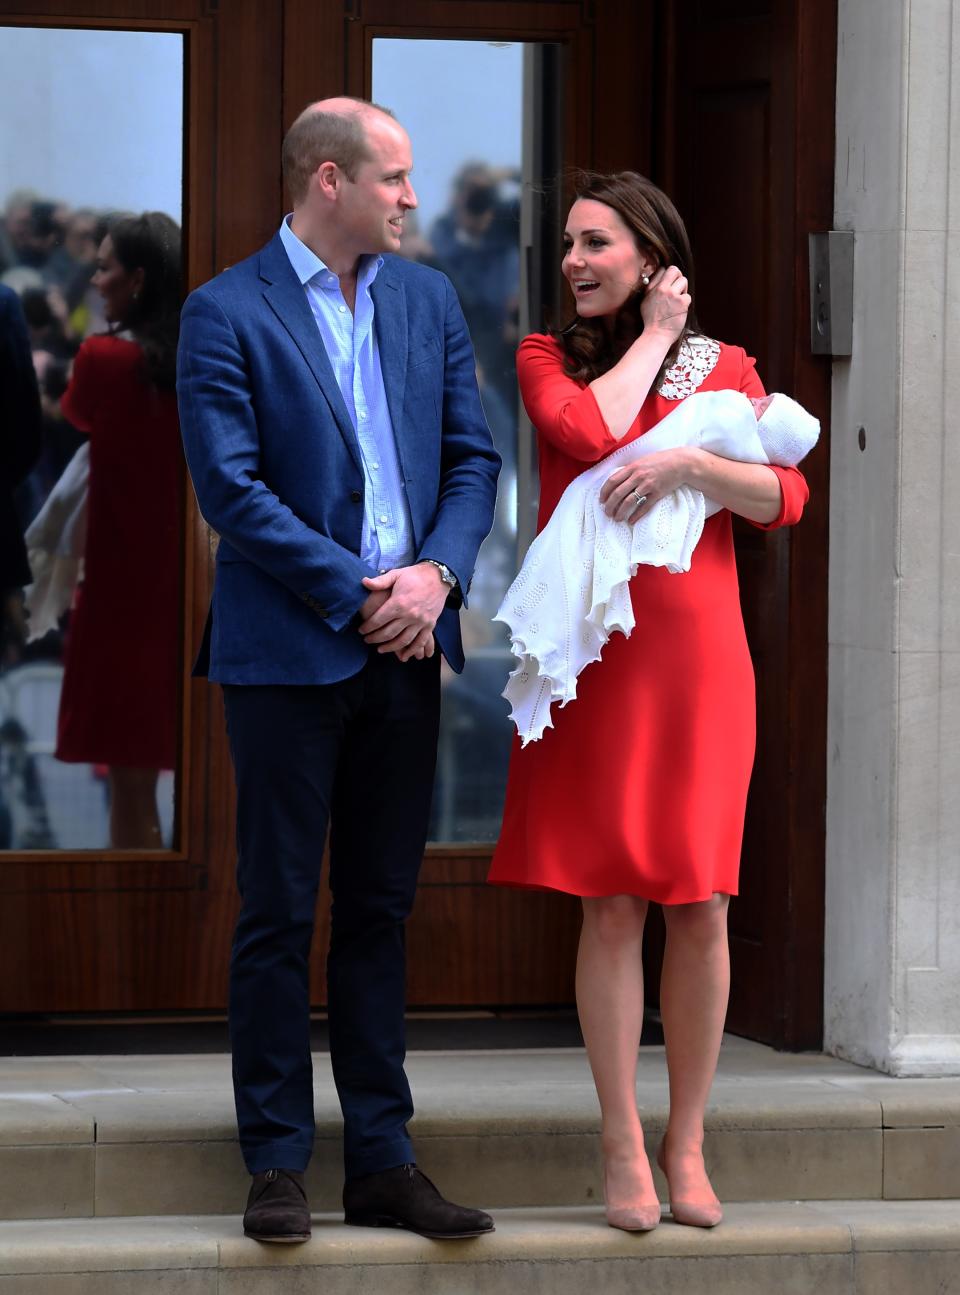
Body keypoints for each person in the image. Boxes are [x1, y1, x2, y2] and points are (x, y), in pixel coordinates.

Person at [176, 97, 500, 1245]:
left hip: (409, 654)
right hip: (287, 658)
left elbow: (473, 456)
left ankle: (382, 1157)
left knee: (379, 910)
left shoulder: (427, 298)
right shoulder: (224, 311)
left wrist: (437, 581)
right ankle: (275, 1161)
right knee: (275, 909)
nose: (413, 197)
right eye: (395, 178)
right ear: (328, 180)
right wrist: (359, 591)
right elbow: (232, 489)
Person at [488, 171, 808, 1232]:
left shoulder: (727, 370)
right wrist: (654, 342)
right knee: (613, 899)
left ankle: (688, 1139)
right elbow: (586, 431)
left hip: (701, 665)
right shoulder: (545, 358)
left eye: (597, 244)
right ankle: (621, 1137)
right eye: (570, 244)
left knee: (702, 900)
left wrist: (686, 463)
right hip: (600, 665)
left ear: (650, 253)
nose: (575, 261)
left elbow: (785, 497)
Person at [56, 211, 183, 847]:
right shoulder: (203, 362)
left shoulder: (101, 359)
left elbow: (74, 411)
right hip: (191, 588)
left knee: (129, 786)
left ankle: (143, 940)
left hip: (118, 591)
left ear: (135, 280)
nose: (94, 279)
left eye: (104, 267)